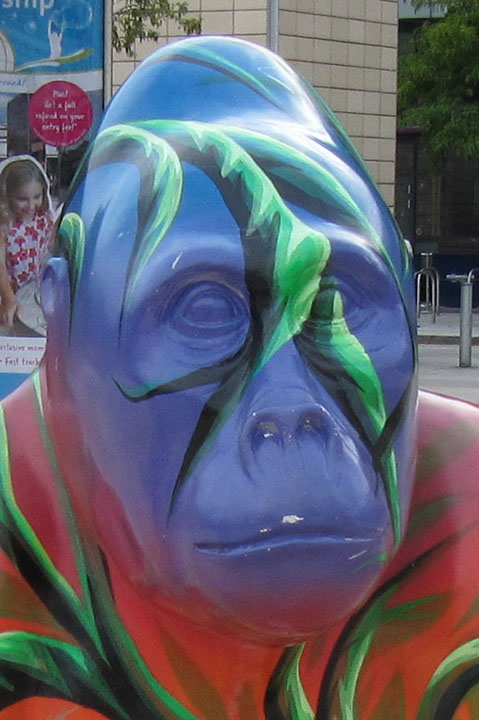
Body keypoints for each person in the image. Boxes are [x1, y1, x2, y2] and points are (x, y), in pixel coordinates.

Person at [0, 37, 477, 719]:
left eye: (336, 303)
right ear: (65, 321)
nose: (291, 413)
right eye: (204, 312)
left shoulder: (463, 508)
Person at [0, 156, 54, 333]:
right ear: (7, 197)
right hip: (9, 292)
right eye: (22, 199)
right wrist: (8, 298)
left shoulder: (43, 217)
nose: (31, 206)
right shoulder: (5, 224)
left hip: (34, 290)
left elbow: (50, 247)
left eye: (37, 197)